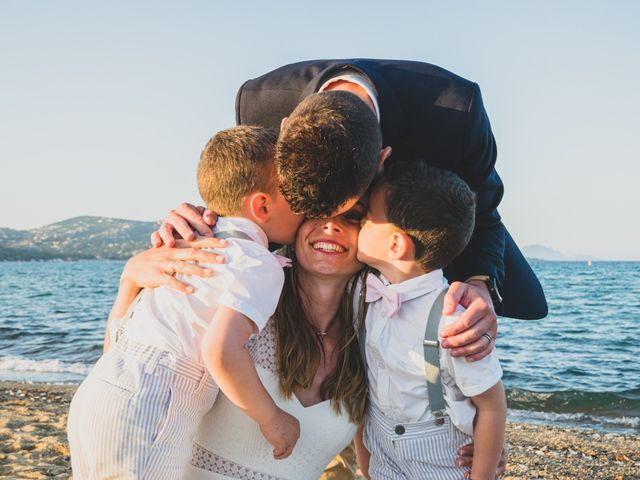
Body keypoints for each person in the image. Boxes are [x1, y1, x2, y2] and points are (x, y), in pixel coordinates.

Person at [230, 58, 547, 322]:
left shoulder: (458, 112)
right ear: (283, 130)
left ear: (382, 158)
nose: (331, 222)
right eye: (311, 211)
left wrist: (480, 285)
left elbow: (484, 210)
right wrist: (196, 231)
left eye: (350, 210)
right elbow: (242, 203)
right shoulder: (256, 106)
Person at [67, 126, 304, 479]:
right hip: (151, 406)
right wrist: (272, 419)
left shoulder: (180, 249)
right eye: (296, 197)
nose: (304, 208)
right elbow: (221, 351)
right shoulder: (256, 262)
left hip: (100, 388)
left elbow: (117, 338)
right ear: (262, 205)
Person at [354, 160, 506, 480]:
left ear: (396, 245)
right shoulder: (367, 294)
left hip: (440, 465)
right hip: (383, 457)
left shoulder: (453, 321)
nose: (359, 223)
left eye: (367, 218)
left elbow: (492, 406)